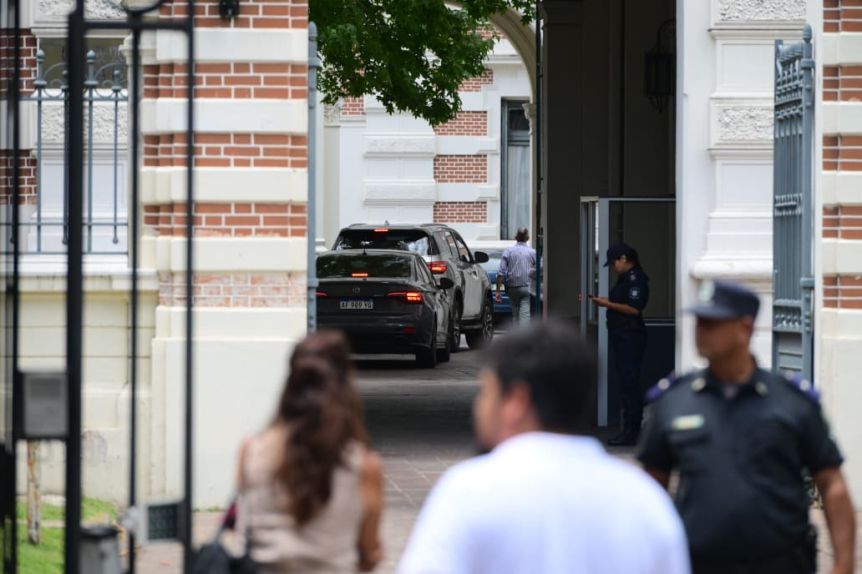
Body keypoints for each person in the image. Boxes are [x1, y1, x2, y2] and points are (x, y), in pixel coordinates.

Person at [398, 321, 690, 574]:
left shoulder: (469, 491)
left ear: (517, 400)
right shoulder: (643, 500)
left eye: (486, 392)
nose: (479, 406)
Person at [638, 280, 856, 574]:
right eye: (699, 322)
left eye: (712, 323)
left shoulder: (791, 402)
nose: (700, 331)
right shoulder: (675, 401)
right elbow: (651, 489)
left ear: (745, 328)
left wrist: (843, 565)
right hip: (701, 563)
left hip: (781, 564)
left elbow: (831, 484)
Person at [236, 334, 384, 573]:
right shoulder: (364, 466)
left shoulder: (251, 450)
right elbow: (369, 554)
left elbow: (244, 531)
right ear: (345, 383)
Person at [590, 241, 650, 446]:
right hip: (622, 335)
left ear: (624, 259)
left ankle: (632, 431)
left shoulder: (635, 279)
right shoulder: (625, 279)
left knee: (630, 384)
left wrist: (607, 304)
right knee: (625, 384)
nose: (613, 268)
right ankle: (628, 429)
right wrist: (607, 301)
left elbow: (634, 309)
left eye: (614, 263)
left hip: (630, 336)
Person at [496, 227, 536, 326]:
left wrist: (498, 291)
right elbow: (539, 269)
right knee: (524, 315)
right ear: (527, 238)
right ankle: (523, 334)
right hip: (526, 287)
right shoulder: (532, 252)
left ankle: (517, 333)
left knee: (516, 315)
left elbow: (501, 272)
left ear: (516, 238)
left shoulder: (508, 251)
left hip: (512, 288)